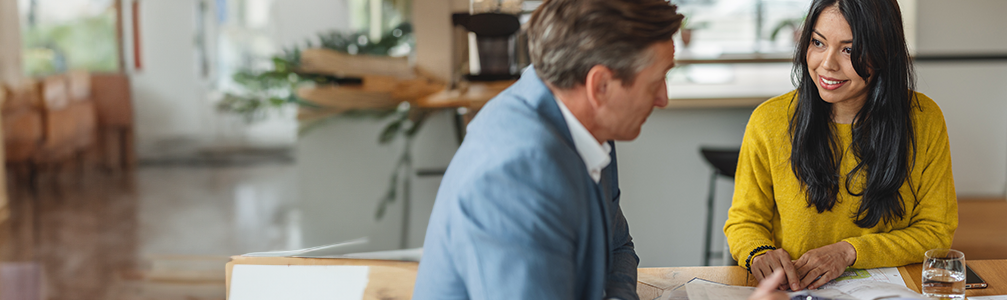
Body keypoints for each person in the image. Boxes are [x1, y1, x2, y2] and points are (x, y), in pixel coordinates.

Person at [411, 0, 682, 299]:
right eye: (656, 81)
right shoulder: (516, 177)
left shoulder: (587, 128)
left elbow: (617, 247)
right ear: (601, 86)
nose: (662, 98)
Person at [723, 0, 958, 292]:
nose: (827, 64)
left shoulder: (924, 119)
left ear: (884, 51)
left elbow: (935, 231)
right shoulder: (768, 121)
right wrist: (757, 252)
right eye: (818, 43)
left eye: (849, 49)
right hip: (795, 292)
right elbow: (744, 221)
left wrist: (849, 252)